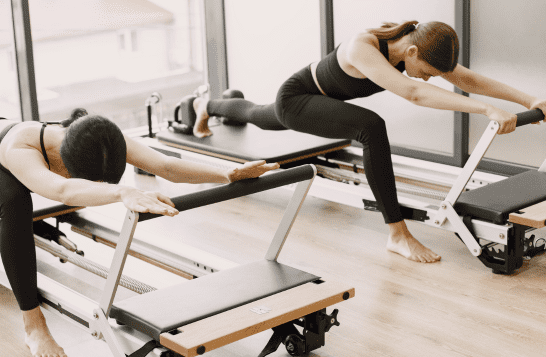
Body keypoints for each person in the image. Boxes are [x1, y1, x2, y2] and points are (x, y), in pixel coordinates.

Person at [0, 108, 278, 357]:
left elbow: (165, 165)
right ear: (64, 163)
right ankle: (33, 326)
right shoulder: (23, 149)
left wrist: (227, 172)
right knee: (15, 201)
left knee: (39, 194)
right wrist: (121, 192)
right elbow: (63, 191)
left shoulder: (100, 136)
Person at [192, 20, 546, 264]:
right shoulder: (364, 46)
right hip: (297, 97)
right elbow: (414, 93)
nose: (429, 78)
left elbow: (467, 78)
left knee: (258, 114)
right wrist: (487, 109)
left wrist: (529, 99)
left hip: (316, 98)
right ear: (411, 53)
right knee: (370, 127)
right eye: (428, 71)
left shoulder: (415, 43)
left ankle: (205, 105)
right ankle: (397, 234)